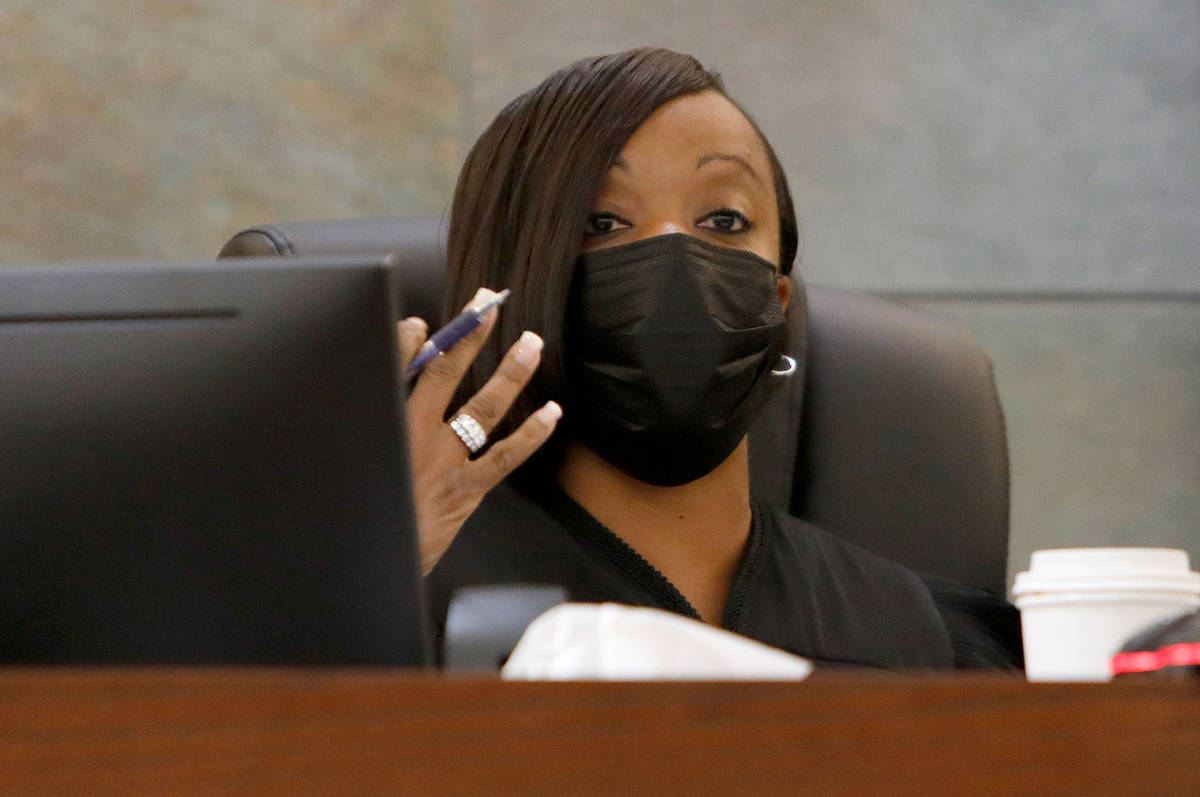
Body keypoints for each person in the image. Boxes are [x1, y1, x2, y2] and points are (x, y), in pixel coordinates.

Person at [396, 48, 1021, 670]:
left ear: (776, 297)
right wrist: (382, 575)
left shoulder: (923, 640)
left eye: (724, 219)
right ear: (508, 285)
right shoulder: (402, 592)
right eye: (603, 220)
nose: (673, 253)